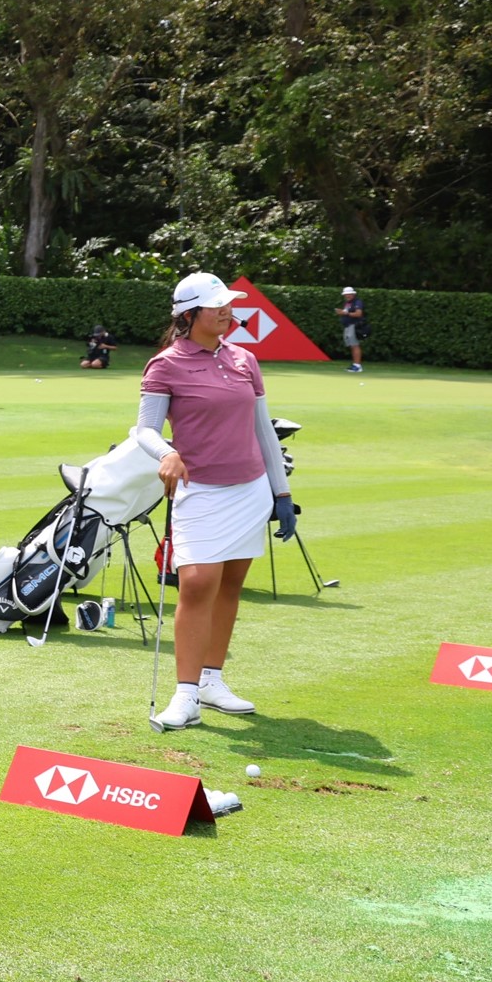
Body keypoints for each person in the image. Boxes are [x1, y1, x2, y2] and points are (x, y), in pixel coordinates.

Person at [143, 272, 296, 732]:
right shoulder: (166, 364)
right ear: (190, 315)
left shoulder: (245, 359)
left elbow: (263, 430)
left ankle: (211, 681)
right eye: (217, 306)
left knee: (230, 585)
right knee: (196, 584)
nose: (227, 311)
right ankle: (185, 695)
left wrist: (281, 493)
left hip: (249, 489)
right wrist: (167, 453)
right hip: (201, 491)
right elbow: (144, 430)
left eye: (229, 304)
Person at [336, 286, 367, 373]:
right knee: (352, 346)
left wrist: (345, 313)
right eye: (346, 294)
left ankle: (357, 366)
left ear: (353, 294)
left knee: (355, 345)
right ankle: (355, 364)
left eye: (349, 294)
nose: (347, 296)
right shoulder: (348, 303)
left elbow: (358, 314)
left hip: (354, 325)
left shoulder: (357, 302)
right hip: (348, 326)